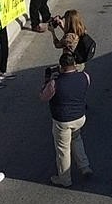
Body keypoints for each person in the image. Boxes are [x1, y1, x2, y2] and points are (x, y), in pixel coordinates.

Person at [40, 54, 93, 187]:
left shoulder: (55, 83)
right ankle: (84, 166)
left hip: (62, 121)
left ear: (61, 67)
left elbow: (43, 97)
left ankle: (65, 179)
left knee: (63, 150)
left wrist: (47, 81)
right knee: (76, 139)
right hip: (80, 117)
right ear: (75, 64)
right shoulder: (85, 77)